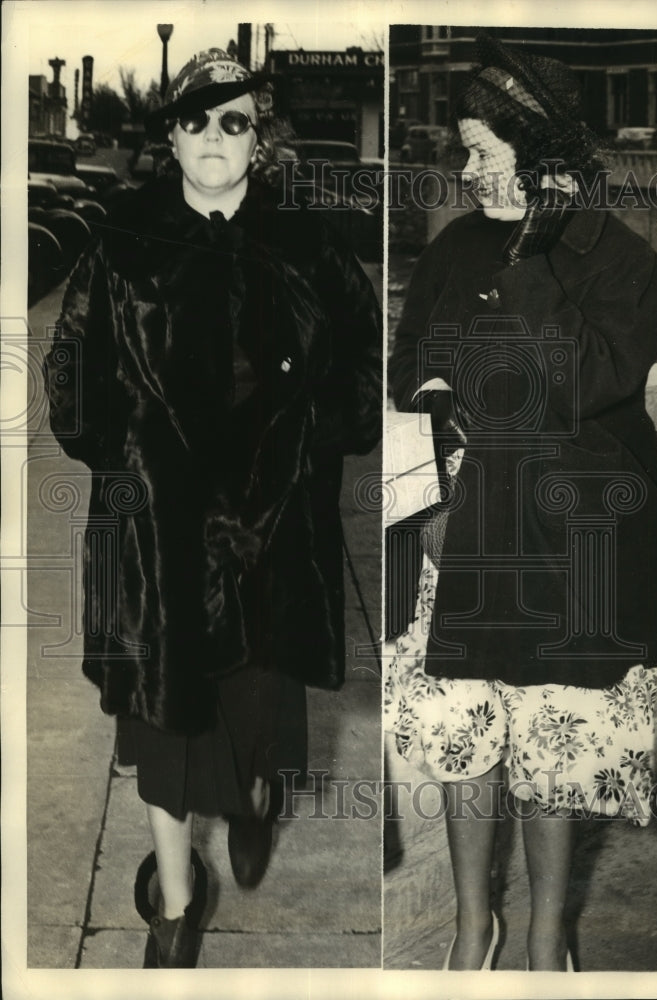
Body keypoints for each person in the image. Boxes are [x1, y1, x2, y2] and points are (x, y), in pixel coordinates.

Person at [385, 34, 657, 972]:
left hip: (571, 544)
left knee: (555, 748)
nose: (465, 173)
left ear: (545, 155)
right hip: (461, 539)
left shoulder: (621, 262)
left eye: (484, 152)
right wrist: (429, 506)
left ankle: (546, 938)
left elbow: (585, 378)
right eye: (465, 152)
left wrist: (536, 253)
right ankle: (475, 927)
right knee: (464, 743)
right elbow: (410, 369)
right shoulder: (452, 245)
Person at [44, 48, 381, 968]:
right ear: (172, 135)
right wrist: (119, 454)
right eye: (195, 121)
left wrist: (316, 438)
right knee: (160, 723)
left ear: (258, 137)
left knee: (254, 708)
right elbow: (69, 367)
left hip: (272, 534)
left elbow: (363, 359)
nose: (213, 139)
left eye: (233, 121)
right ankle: (176, 899)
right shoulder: (124, 238)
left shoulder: (305, 241)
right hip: (157, 539)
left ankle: (255, 797)